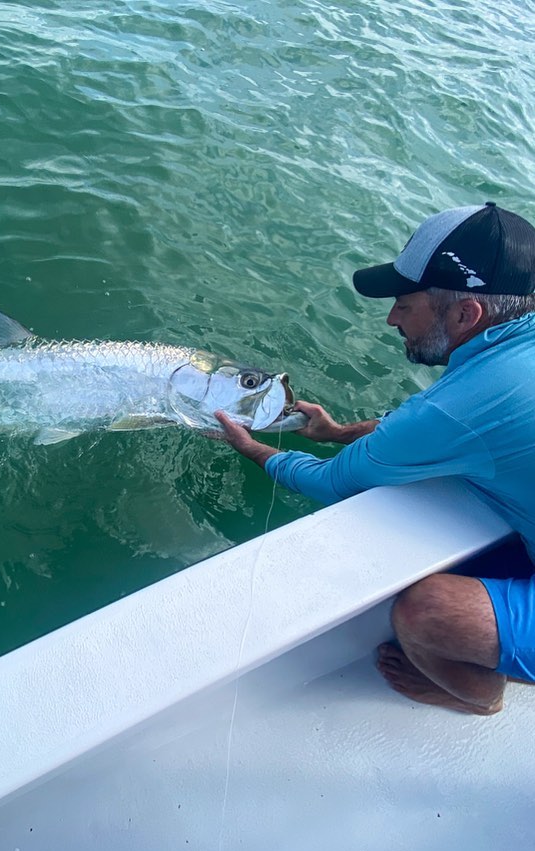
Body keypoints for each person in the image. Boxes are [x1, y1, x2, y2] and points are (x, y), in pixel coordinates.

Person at [215, 202, 535, 715]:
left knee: (427, 612)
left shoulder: (464, 405)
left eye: (406, 304)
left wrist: (250, 446)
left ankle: (480, 698)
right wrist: (338, 431)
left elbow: (333, 483)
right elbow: (433, 427)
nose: (391, 318)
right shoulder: (512, 348)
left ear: (465, 313)